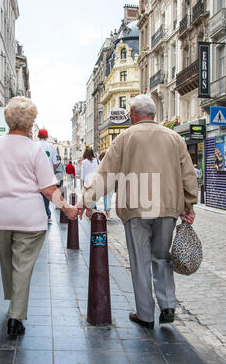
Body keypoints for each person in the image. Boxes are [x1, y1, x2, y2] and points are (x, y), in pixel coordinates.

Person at [79, 95, 198, 329]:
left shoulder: (125, 138)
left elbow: (106, 174)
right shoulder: (174, 138)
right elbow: (188, 174)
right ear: (153, 113)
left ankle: (145, 313)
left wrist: (87, 200)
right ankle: (168, 305)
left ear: (133, 113)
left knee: (140, 260)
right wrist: (189, 204)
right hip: (167, 207)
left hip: (135, 208)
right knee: (162, 257)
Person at [0, 97, 78, 337]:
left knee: (7, 262)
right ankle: (15, 316)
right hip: (29, 218)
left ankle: (14, 303)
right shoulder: (35, 150)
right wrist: (68, 209)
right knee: (23, 266)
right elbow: (48, 190)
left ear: (7, 120)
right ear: (30, 124)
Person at [38, 129, 58, 224]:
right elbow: (55, 163)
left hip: (35, 175)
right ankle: (47, 215)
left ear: (38, 136)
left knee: (36, 196)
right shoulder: (52, 147)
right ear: (46, 137)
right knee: (46, 195)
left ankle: (38, 215)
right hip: (48, 175)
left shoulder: (33, 145)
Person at [99, 151, 113, 219]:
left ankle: (108, 213)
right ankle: (108, 212)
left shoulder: (103, 164)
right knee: (108, 197)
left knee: (107, 197)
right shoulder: (111, 162)